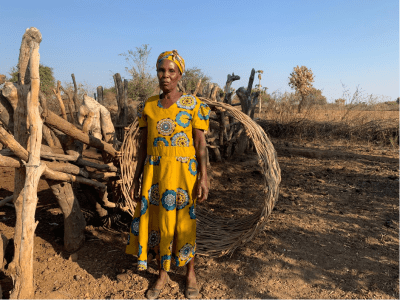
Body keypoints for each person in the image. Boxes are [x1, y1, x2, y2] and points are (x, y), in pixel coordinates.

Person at [126, 50, 210, 299]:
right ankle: (163, 272)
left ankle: (190, 273)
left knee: (185, 221)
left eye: (171, 71)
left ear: (180, 74)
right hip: (155, 173)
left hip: (184, 172)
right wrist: (136, 178)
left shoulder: (194, 104)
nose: (166, 75)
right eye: (161, 70)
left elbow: (200, 144)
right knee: (159, 221)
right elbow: (143, 145)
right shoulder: (149, 105)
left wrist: (204, 176)